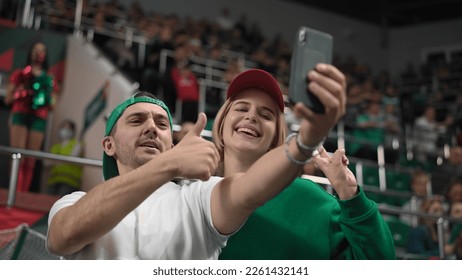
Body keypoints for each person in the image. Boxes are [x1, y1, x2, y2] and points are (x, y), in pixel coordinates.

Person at [46, 63, 346, 260]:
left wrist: (306, 139)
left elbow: (249, 189)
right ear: (108, 144)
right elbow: (66, 235)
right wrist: (168, 165)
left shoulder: (198, 197)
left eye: (163, 124)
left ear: (172, 142)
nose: (151, 127)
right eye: (137, 120)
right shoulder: (73, 201)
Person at [215, 69, 395, 259]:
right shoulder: (193, 193)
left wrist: (351, 196)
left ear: (276, 136)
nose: (251, 116)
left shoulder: (307, 197)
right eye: (242, 108)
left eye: (266, 115)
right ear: (220, 124)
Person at [3, 41, 59, 192]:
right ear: (30, 53)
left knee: (31, 159)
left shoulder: (49, 79)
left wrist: (45, 96)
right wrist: (22, 93)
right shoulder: (20, 74)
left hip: (39, 117)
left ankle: (22, 194)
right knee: (18, 156)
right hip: (20, 114)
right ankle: (13, 191)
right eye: (36, 50)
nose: (38, 53)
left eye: (42, 50)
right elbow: (8, 99)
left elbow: (53, 104)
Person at [46, 119, 84, 196]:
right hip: (53, 180)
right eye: (63, 127)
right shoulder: (55, 147)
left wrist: (56, 161)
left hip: (70, 182)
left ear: (73, 131)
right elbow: (46, 163)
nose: (65, 130)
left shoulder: (77, 144)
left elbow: (72, 157)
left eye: (68, 128)